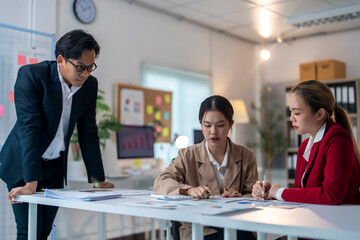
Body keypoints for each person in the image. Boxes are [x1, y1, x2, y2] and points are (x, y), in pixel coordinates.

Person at [0, 29, 114, 240]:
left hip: (54, 165)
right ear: (61, 60)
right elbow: (29, 128)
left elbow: (88, 132)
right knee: (28, 231)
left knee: (44, 230)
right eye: (80, 67)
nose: (85, 73)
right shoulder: (31, 75)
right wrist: (31, 180)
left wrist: (98, 179)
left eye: (90, 67)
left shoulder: (89, 85)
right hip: (24, 162)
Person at [154, 95, 258, 240]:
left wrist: (239, 198)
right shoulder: (187, 155)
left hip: (236, 225)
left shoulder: (246, 155)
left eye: (220, 125)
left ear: (230, 124)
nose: (213, 132)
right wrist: (189, 190)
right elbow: (161, 182)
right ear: (200, 124)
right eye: (207, 125)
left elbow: (254, 196)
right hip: (201, 228)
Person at [252, 80, 360, 205]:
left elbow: (332, 195)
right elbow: (304, 193)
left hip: (341, 220)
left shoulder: (337, 138)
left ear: (320, 114)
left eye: (297, 113)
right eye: (290, 111)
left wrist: (281, 193)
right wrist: (271, 192)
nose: (292, 118)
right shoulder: (305, 146)